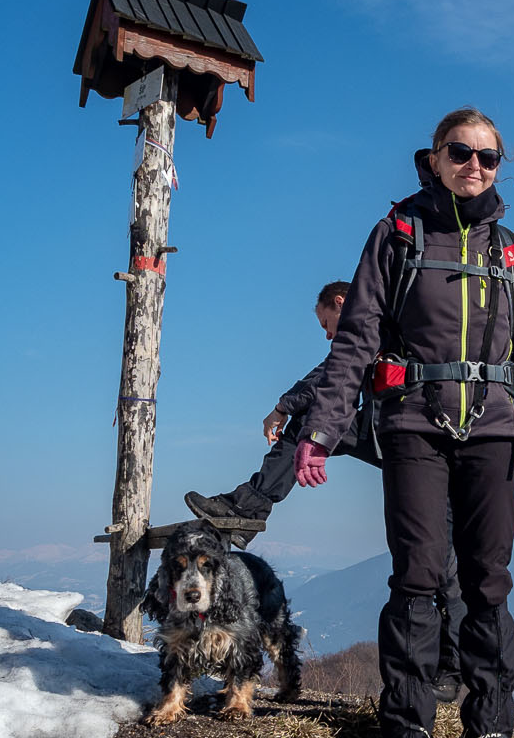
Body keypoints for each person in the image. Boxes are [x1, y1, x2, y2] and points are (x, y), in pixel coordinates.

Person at [292, 106, 514, 738]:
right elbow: (355, 341)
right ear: (433, 158)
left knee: (488, 584)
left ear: (501, 166)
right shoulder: (397, 235)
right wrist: (322, 430)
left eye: (488, 156)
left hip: (493, 433)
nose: (475, 166)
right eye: (460, 153)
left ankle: (490, 730)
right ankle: (408, 727)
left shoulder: (512, 254)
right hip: (413, 424)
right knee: (417, 577)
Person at [184, 282, 470, 699]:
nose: (327, 333)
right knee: (309, 425)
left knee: (444, 563)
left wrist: (281, 407)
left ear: (340, 303)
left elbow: (331, 373)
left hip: (428, 440)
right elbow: (333, 376)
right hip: (384, 430)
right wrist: (289, 408)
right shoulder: (373, 324)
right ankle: (246, 507)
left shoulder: (384, 319)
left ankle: (453, 669)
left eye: (325, 323)